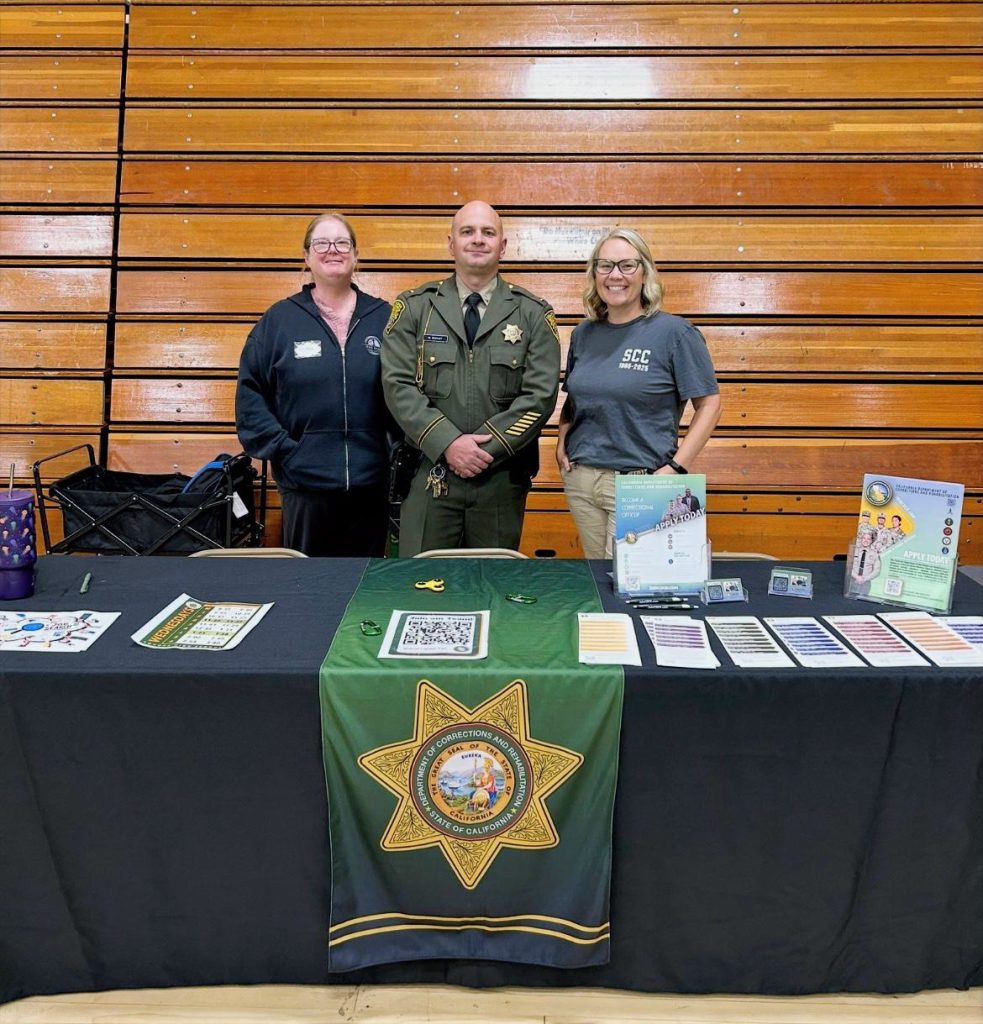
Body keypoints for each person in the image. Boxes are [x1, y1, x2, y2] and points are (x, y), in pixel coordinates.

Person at [381, 201, 560, 555]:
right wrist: (448, 444)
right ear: (451, 244)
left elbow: (539, 397)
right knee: (422, 583)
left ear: (503, 246)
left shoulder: (533, 314)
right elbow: (397, 385)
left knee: (492, 585)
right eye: (467, 232)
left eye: (488, 232)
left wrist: (483, 451)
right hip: (429, 474)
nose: (478, 240)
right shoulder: (415, 309)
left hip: (500, 479)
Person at [555, 228, 721, 558]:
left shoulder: (674, 333)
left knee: (632, 589)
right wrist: (561, 443)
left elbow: (710, 404)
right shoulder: (584, 333)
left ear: (644, 272)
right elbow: (575, 398)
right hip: (583, 480)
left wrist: (676, 468)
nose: (615, 275)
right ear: (594, 274)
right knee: (597, 581)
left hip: (642, 483)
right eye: (605, 266)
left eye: (627, 265)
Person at [235, 212, 392, 556]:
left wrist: (392, 452)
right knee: (310, 590)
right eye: (321, 243)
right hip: (305, 486)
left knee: (365, 588)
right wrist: (287, 451)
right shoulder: (279, 321)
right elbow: (250, 397)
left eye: (342, 242)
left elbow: (409, 390)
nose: (332, 250)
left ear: (356, 255)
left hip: (373, 485)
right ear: (306, 257)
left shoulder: (385, 318)